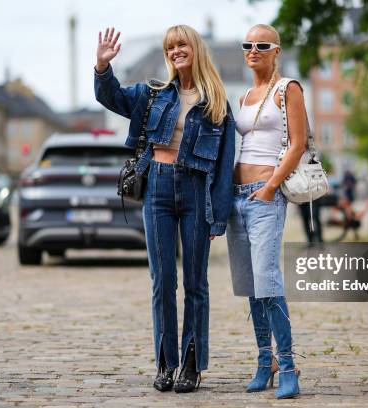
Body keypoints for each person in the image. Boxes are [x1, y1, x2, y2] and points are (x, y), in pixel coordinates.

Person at [94, 25, 235, 393]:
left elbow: (223, 165)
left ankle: (191, 363)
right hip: (156, 187)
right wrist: (102, 66)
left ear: (196, 49)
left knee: (195, 283)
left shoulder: (217, 103)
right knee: (162, 283)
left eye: (182, 44)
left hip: (195, 189)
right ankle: (165, 362)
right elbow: (111, 97)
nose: (176, 51)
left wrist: (218, 214)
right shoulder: (152, 94)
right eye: (170, 47)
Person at [226, 23, 306, 399]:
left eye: (262, 44)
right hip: (238, 198)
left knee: (268, 281)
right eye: (248, 44)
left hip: (265, 196)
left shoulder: (287, 88)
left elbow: (298, 143)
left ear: (276, 50)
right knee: (251, 287)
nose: (253, 50)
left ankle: (288, 365)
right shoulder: (244, 98)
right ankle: (264, 361)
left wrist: (272, 187)